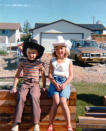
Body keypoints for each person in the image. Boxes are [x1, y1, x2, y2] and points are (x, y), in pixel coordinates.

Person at [10, 39, 46, 131]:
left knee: (35, 97)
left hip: (35, 84)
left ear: (37, 54)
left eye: (33, 53)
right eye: (29, 52)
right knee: (21, 97)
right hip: (25, 83)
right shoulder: (23, 63)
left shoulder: (39, 64)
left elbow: (43, 76)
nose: (31, 55)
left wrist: (44, 86)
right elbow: (17, 75)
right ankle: (16, 123)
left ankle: (36, 123)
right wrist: (14, 87)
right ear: (26, 52)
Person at [47, 36, 73, 131]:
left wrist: (65, 84)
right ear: (54, 51)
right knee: (56, 102)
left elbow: (71, 76)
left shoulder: (69, 61)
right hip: (54, 82)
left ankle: (69, 125)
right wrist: (54, 83)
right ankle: (50, 124)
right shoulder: (52, 61)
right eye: (57, 49)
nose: (59, 51)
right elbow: (49, 74)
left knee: (63, 102)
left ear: (65, 49)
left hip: (64, 82)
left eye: (61, 48)